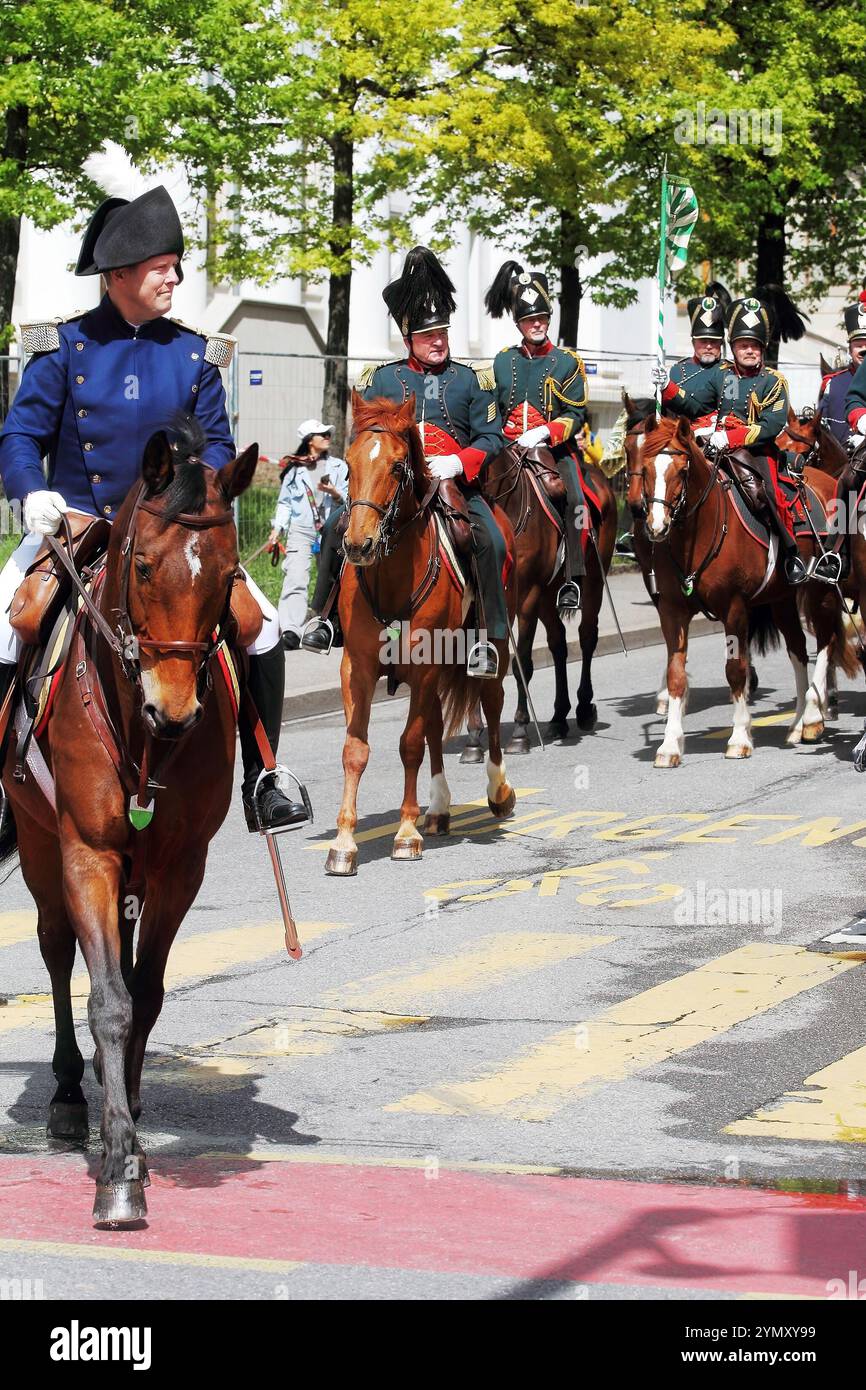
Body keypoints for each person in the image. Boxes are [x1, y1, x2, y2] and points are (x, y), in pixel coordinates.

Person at [0, 143, 309, 840]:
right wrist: (31, 493)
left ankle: (265, 775)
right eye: (162, 267)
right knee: (8, 622)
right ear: (120, 274)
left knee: (258, 629)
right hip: (76, 525)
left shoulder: (194, 355)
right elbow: (19, 437)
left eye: (174, 265)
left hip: (171, 535)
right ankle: (2, 789)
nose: (175, 276)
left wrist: (207, 494)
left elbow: (220, 444)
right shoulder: (63, 349)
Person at [302, 246, 508, 678]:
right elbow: (365, 437)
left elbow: (492, 435)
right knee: (336, 524)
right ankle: (322, 618)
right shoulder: (382, 379)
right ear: (408, 338)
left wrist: (460, 461)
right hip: (395, 485)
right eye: (429, 335)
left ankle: (487, 640)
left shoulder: (471, 380)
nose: (438, 341)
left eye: (443, 333)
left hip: (453, 482)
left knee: (490, 538)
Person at [655, 294, 806, 586]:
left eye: (754, 346)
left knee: (766, 494)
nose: (748, 351)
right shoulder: (726, 377)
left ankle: (791, 553)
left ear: (762, 349)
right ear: (733, 347)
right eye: (742, 345)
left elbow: (770, 425)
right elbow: (696, 406)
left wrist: (731, 437)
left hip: (757, 452)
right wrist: (667, 387)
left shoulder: (774, 381)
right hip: (717, 448)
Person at [485, 260, 588, 614]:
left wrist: (544, 432)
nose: (537, 324)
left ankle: (573, 577)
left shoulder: (566, 361)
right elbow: (491, 409)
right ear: (519, 324)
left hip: (552, 448)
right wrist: (497, 438)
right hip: (506, 446)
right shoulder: (502, 361)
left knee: (574, 499)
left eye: (542, 318)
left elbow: (575, 415)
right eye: (530, 320)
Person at [269, 420, 347, 650]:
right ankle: (291, 630)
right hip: (301, 531)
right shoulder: (294, 470)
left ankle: (330, 625)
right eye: (321, 433)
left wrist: (334, 493)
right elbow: (284, 503)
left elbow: (350, 498)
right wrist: (277, 528)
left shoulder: (340, 467)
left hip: (330, 532)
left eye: (327, 433)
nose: (327, 436)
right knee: (295, 577)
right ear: (309, 440)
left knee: (333, 580)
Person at [653, 286, 730, 432]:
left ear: (721, 343)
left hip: (712, 440)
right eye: (703, 341)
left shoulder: (730, 372)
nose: (708, 346)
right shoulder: (678, 370)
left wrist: (668, 387)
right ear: (693, 342)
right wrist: (658, 389)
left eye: (713, 342)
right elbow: (664, 409)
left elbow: (698, 408)